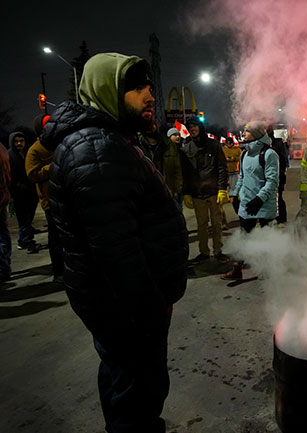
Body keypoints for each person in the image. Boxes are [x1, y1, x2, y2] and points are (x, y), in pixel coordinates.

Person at [41, 53, 188, 433]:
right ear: (108, 92)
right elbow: (117, 252)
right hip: (129, 313)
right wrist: (153, 308)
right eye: (137, 88)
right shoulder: (97, 149)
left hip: (121, 309)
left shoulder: (108, 141)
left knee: (123, 385)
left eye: (150, 85)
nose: (150, 95)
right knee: (137, 398)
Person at [221, 121, 279, 280]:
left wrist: (259, 199)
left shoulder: (269, 154)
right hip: (247, 203)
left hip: (264, 204)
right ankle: (237, 269)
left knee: (266, 238)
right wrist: (235, 193)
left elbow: (272, 181)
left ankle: (268, 268)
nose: (244, 134)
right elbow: (242, 176)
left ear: (256, 134)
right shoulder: (244, 153)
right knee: (244, 236)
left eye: (247, 131)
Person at [180, 116, 229, 263]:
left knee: (216, 224)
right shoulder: (186, 149)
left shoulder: (213, 145)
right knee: (201, 225)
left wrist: (222, 189)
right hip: (197, 194)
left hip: (214, 192)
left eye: (194, 126)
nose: (192, 129)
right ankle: (204, 252)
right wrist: (187, 192)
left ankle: (218, 250)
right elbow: (185, 173)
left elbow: (222, 168)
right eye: (190, 128)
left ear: (200, 127)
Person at [25, 114, 64, 282]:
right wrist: (53, 166)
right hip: (50, 201)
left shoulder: (59, 143)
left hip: (65, 197)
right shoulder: (34, 149)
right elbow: (32, 174)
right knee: (56, 239)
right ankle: (59, 273)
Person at [7, 131, 40, 253]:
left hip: (31, 191)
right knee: (23, 218)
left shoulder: (28, 153)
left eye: (21, 141)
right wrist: (11, 194)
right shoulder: (10, 156)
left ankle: (24, 239)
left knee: (28, 217)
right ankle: (26, 241)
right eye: (16, 141)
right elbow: (9, 177)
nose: (19, 143)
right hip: (18, 193)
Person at [139, 124, 184, 202]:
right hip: (148, 195)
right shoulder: (138, 146)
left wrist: (177, 190)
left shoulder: (168, 146)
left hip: (169, 191)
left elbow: (177, 170)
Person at [267, 124, 289, 226]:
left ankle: (281, 219)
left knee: (278, 196)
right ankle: (270, 218)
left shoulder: (278, 143)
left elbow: (283, 160)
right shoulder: (262, 144)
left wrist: (282, 173)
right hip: (267, 175)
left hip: (278, 174)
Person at [222, 135, 242, 220]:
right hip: (225, 172)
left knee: (234, 191)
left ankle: (235, 198)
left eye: (230, 144)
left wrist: (234, 158)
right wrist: (225, 159)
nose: (229, 145)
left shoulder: (237, 149)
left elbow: (241, 157)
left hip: (235, 172)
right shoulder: (223, 150)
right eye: (227, 144)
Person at [0, 139, 11, 281]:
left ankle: (3, 266)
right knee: (3, 231)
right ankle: (5, 264)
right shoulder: (2, 149)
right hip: (3, 195)